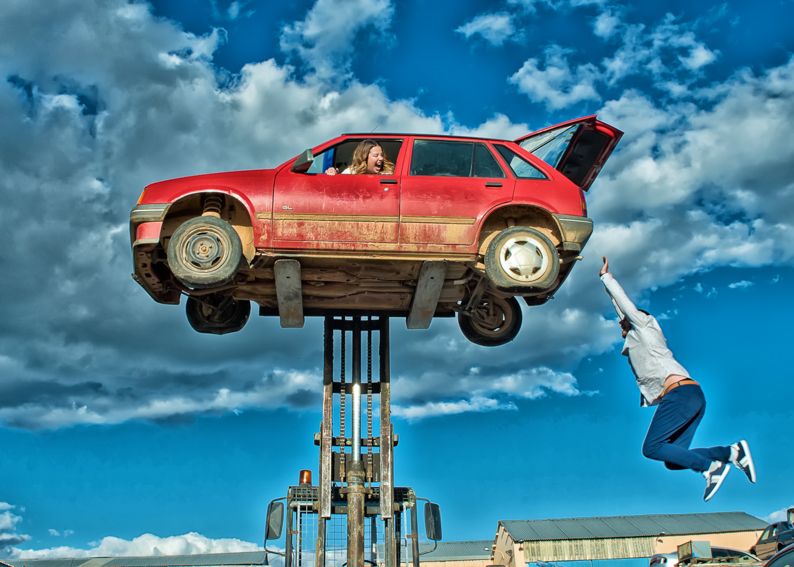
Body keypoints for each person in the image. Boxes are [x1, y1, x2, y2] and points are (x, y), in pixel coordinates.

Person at [599, 256, 756, 502]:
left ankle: (710, 467)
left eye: (625, 323)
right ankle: (731, 452)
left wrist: (606, 278)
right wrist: (607, 291)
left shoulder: (645, 327)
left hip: (681, 396)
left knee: (651, 448)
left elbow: (625, 307)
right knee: (673, 460)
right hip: (692, 398)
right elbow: (620, 312)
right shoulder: (636, 338)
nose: (620, 327)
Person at [325, 139, 394, 175]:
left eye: (381, 155)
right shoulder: (350, 173)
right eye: (376, 155)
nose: (381, 158)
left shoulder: (387, 174)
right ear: (364, 157)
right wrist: (332, 176)